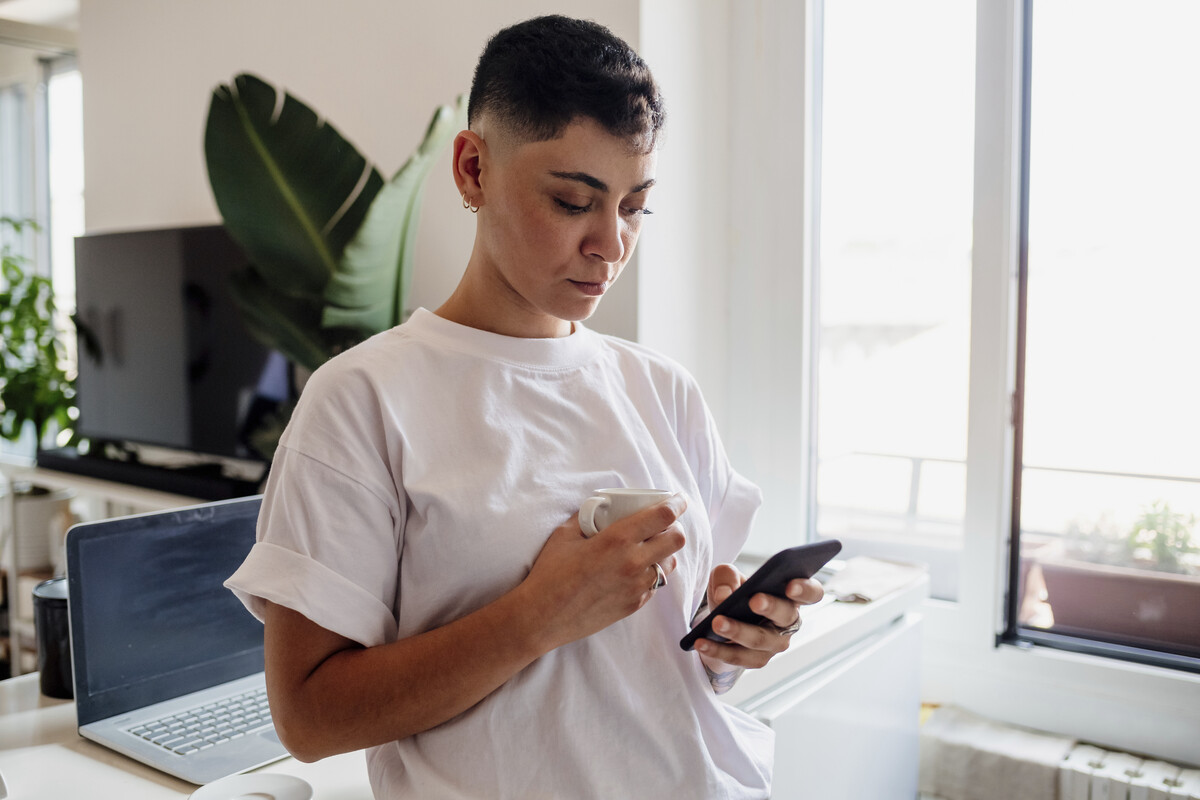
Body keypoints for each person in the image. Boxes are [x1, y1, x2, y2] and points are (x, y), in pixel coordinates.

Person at [226, 14, 823, 799]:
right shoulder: (363, 401)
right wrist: (537, 615)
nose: (611, 243)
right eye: (575, 201)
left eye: (635, 205)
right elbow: (309, 720)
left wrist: (733, 642)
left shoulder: (664, 391)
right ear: (473, 170)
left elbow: (675, 671)